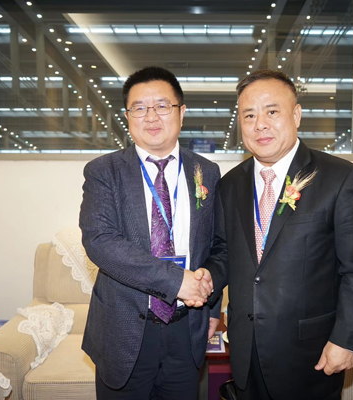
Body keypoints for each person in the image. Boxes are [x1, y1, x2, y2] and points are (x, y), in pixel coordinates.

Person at [202, 69, 353, 400]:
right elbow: (225, 252)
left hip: (310, 354)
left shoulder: (341, 179)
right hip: (245, 350)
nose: (260, 124)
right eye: (249, 115)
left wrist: (347, 340)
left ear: (296, 115)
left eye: (272, 111)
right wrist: (206, 280)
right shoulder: (229, 185)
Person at [79, 66, 220, 400]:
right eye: (139, 108)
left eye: (162, 105)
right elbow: (100, 241)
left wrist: (212, 308)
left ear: (181, 112)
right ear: (128, 117)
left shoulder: (207, 171)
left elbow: (217, 245)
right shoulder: (104, 171)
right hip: (124, 330)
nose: (151, 116)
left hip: (186, 329)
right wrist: (176, 281)